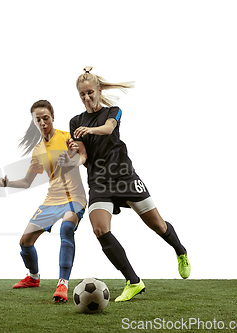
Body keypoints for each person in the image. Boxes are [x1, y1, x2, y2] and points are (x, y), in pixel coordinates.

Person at [61, 66, 191, 302]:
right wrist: (73, 154)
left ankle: (180, 251)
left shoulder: (114, 112)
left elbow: (109, 129)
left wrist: (89, 130)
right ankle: (133, 281)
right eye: (82, 94)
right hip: (99, 181)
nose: (87, 98)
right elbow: (83, 158)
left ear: (99, 90)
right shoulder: (75, 122)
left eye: (90, 92)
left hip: (124, 177)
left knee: (158, 225)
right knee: (99, 228)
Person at [0, 100, 87, 303]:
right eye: (38, 119)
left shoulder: (67, 137)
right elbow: (27, 182)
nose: (43, 122)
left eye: (46, 118)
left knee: (66, 229)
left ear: (53, 117)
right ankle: (33, 278)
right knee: (25, 243)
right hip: (52, 200)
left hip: (74, 198)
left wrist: (73, 156)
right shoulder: (38, 150)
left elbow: (82, 156)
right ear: (34, 122)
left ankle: (62, 284)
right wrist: (7, 183)